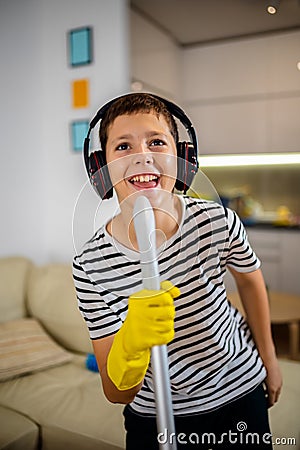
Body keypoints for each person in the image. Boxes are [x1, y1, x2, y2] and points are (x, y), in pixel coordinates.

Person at [73, 93, 282, 449]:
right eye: (123, 146)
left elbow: (251, 282)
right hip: (153, 415)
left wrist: (270, 360)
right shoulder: (89, 264)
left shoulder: (216, 221)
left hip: (238, 393)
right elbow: (116, 392)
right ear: (101, 168)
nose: (143, 156)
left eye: (156, 141)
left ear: (181, 157)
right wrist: (131, 344)